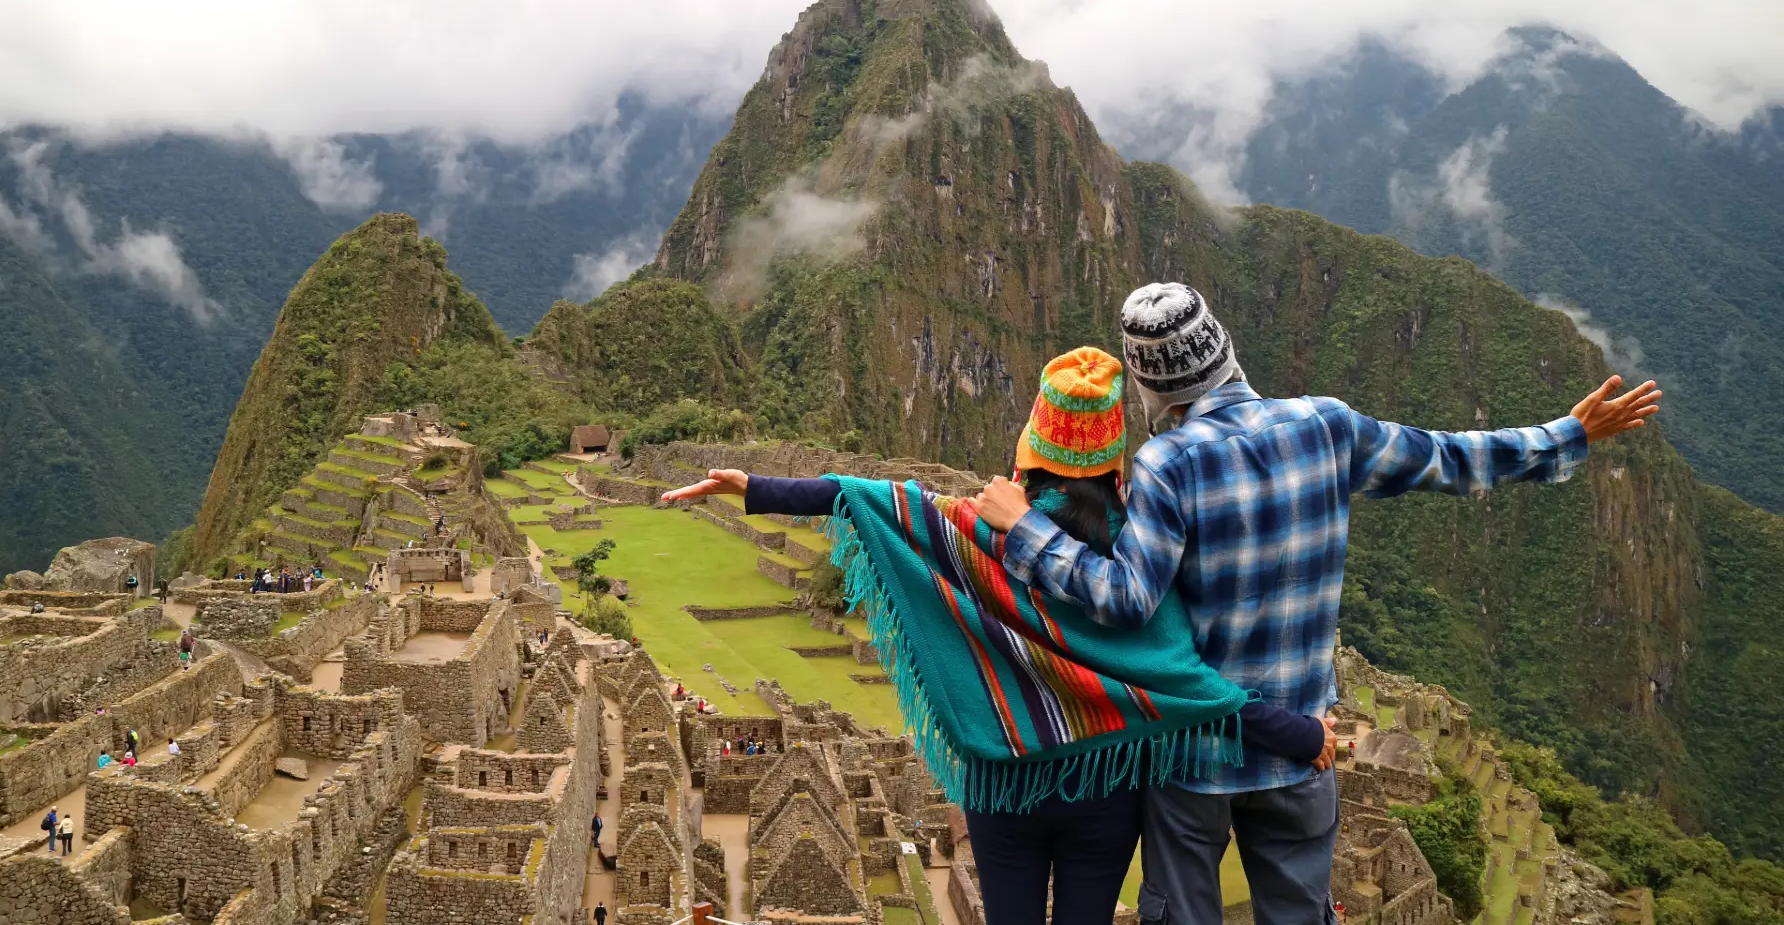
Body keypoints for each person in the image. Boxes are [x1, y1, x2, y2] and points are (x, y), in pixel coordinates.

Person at [965, 283, 1662, 925]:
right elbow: (1451, 458)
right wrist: (1567, 435)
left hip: (1193, 762)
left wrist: (1023, 527)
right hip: (1301, 748)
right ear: (1228, 352)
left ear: (1147, 386)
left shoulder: (1167, 465)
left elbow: (1126, 599)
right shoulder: (1326, 426)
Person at [664, 346, 1334, 925]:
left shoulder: (972, 532)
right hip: (1103, 786)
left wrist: (754, 486)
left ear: (1029, 454)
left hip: (1001, 784)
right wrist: (1300, 734)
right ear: (1115, 465)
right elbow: (1187, 682)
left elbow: (877, 500)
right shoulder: (1136, 554)